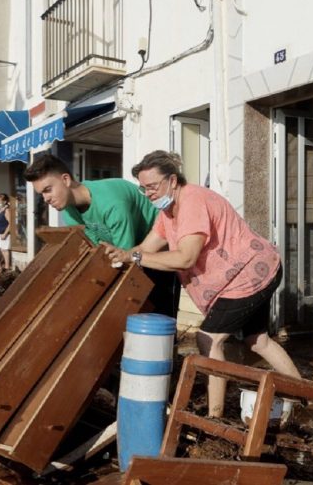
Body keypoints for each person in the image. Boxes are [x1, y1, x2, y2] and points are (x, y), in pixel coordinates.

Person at [106, 150, 301, 417]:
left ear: (172, 180)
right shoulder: (168, 213)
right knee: (257, 340)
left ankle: (215, 416)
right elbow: (144, 249)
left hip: (249, 273)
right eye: (143, 189)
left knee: (208, 339)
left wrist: (136, 256)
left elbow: (185, 258)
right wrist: (122, 255)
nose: (148, 193)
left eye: (152, 186)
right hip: (249, 272)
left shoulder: (192, 201)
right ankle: (304, 396)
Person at [23, 154, 179, 318]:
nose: (46, 198)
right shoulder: (69, 211)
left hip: (159, 244)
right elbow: (98, 251)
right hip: (129, 248)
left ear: (66, 180)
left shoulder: (111, 203)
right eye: (41, 194)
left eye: (48, 190)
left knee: (158, 315)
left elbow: (125, 258)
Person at [0, 193, 12, 270]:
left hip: (5, 232)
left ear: (4, 201)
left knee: (5, 249)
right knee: (2, 249)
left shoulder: (7, 210)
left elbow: (10, 223)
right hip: (0, 232)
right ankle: (4, 263)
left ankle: (7, 266)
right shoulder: (0, 209)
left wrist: (5, 234)